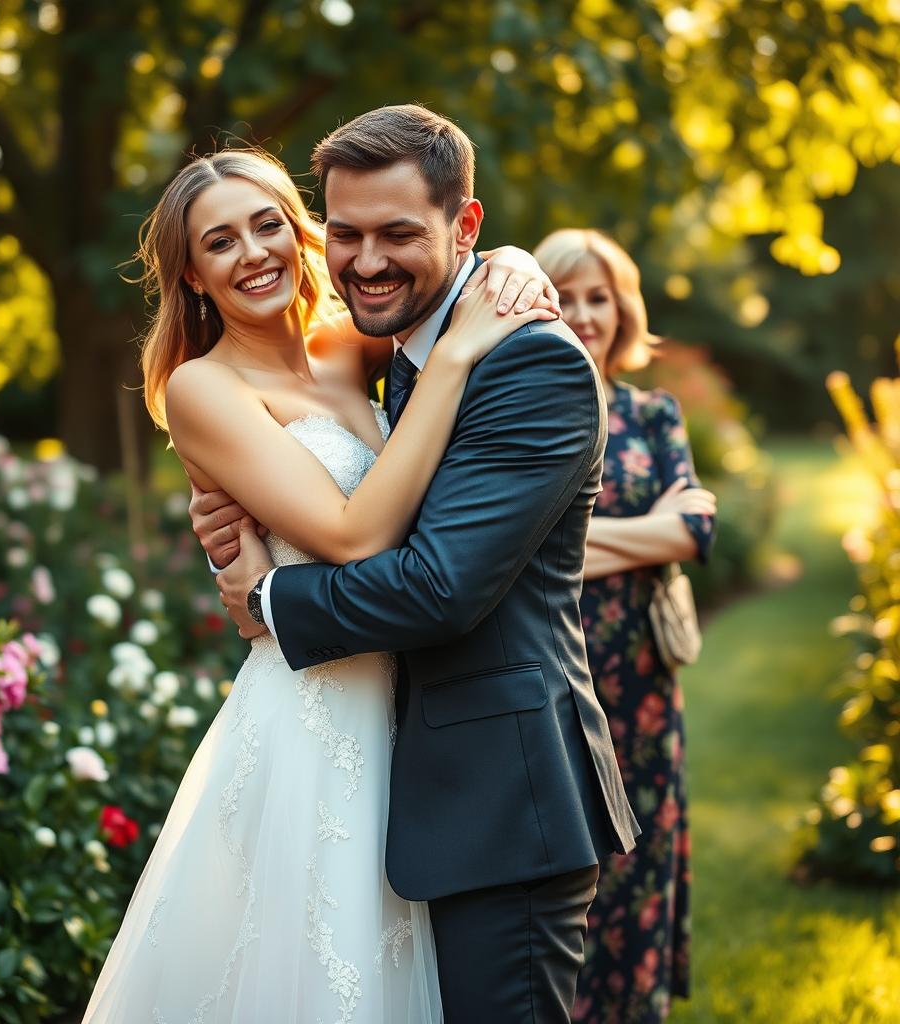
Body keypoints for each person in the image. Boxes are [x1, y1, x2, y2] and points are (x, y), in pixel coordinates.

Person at [81, 140, 562, 1024]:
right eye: (220, 242)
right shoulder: (202, 387)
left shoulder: (350, 347)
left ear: (302, 234)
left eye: (268, 224)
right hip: (313, 709)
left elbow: (440, 270)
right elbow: (352, 531)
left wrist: (515, 263)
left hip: (411, 706)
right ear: (190, 274)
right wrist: (457, 363)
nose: (254, 252)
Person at [194, 104, 639, 1024]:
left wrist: (268, 598)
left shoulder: (530, 366)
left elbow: (439, 586)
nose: (365, 261)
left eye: (399, 233)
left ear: (465, 225)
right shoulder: (387, 355)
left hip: (501, 806)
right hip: (386, 788)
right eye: (345, 233)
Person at [532, 228, 716, 1024]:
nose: (582, 313)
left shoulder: (653, 414)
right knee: (567, 869)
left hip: (643, 684)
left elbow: (693, 534)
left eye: (597, 297)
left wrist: (559, 542)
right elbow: (503, 554)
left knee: (641, 859)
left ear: (622, 308)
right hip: (557, 676)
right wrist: (647, 535)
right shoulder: (520, 411)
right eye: (564, 296)